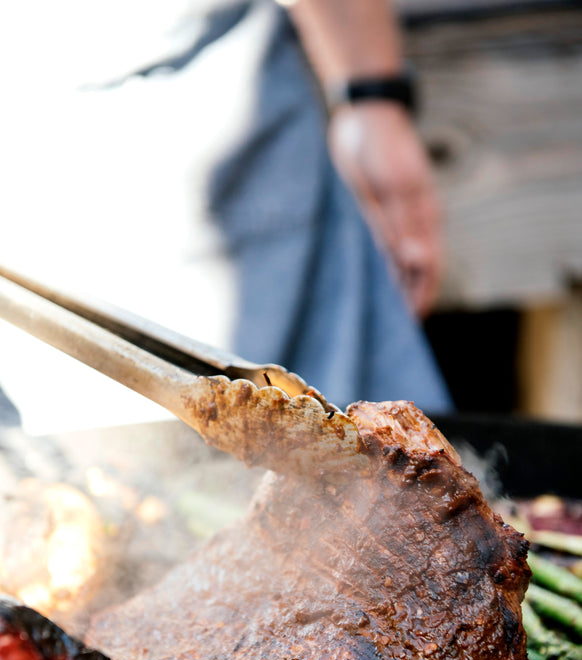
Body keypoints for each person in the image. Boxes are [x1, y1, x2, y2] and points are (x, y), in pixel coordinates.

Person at [0, 0, 451, 433]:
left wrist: (370, 97)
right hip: (31, 156)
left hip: (240, 106)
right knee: (89, 468)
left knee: (370, 450)